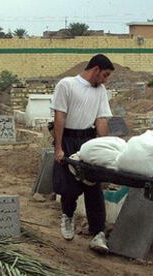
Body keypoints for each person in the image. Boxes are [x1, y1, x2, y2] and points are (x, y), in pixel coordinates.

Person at [51, 54, 114, 253]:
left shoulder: (101, 90)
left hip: (89, 141)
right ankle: (67, 216)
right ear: (95, 69)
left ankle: (98, 234)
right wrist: (59, 147)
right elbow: (59, 116)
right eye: (104, 75)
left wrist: (104, 147)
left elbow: (102, 119)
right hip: (68, 138)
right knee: (70, 186)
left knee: (93, 187)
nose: (105, 80)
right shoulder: (67, 85)